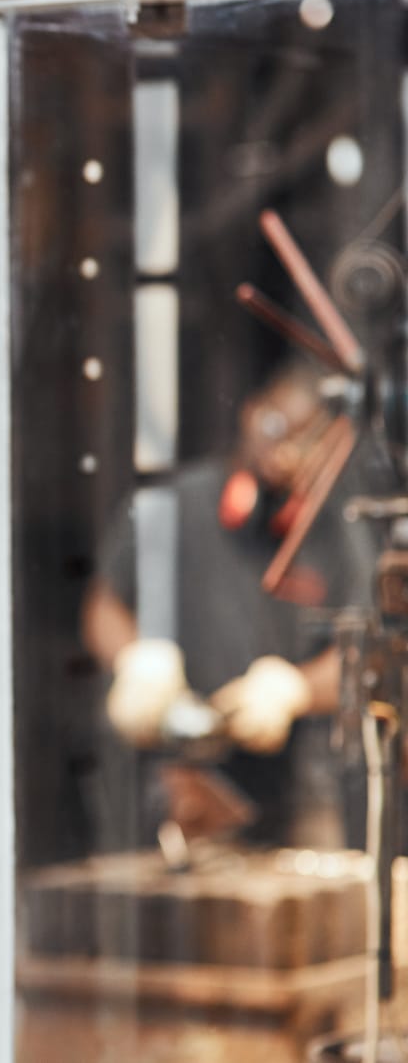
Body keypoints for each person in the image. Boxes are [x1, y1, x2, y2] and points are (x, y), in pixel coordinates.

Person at [81, 362, 379, 847]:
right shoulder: (177, 505)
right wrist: (136, 661)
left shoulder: (338, 528)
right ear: (250, 413)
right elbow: (104, 605)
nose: (284, 452)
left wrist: (294, 690)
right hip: (185, 783)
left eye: (307, 442)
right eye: (276, 427)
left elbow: (369, 652)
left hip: (302, 796)